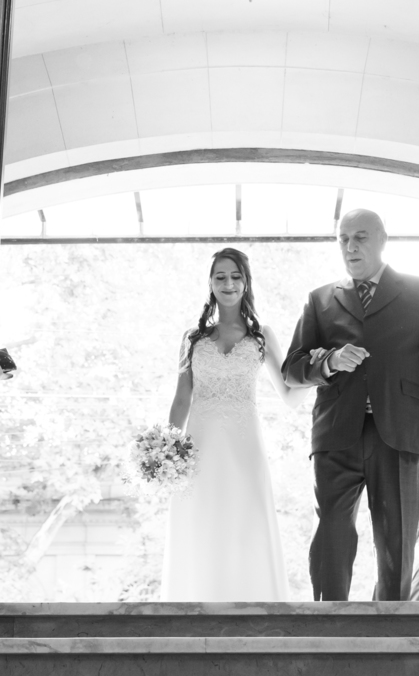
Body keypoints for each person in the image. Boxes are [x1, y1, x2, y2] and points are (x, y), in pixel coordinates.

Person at [282, 208, 419, 601]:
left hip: (399, 435)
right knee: (332, 533)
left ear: (382, 239)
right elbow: (292, 369)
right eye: (343, 239)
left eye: (360, 237)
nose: (350, 246)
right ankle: (329, 623)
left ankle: (391, 632)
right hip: (336, 434)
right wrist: (329, 360)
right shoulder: (319, 299)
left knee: (396, 541)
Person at [160, 248, 312, 601]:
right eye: (220, 277)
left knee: (245, 521)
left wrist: (319, 373)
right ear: (210, 283)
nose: (228, 284)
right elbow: (182, 398)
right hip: (198, 446)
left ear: (246, 282)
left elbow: (289, 396)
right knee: (200, 520)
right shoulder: (192, 338)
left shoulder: (262, 337)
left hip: (245, 446)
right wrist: (167, 450)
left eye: (235, 276)